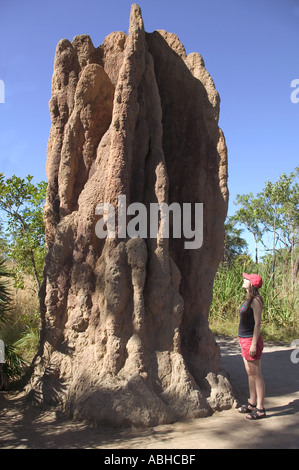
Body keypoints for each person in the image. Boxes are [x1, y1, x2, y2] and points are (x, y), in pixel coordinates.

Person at [237, 272, 266, 420]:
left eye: (246, 279)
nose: (244, 279)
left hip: (250, 340)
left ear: (252, 284)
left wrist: (253, 344)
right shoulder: (248, 298)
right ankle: (252, 403)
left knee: (256, 374)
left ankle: (260, 408)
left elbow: (257, 324)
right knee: (249, 372)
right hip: (244, 339)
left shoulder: (256, 300)